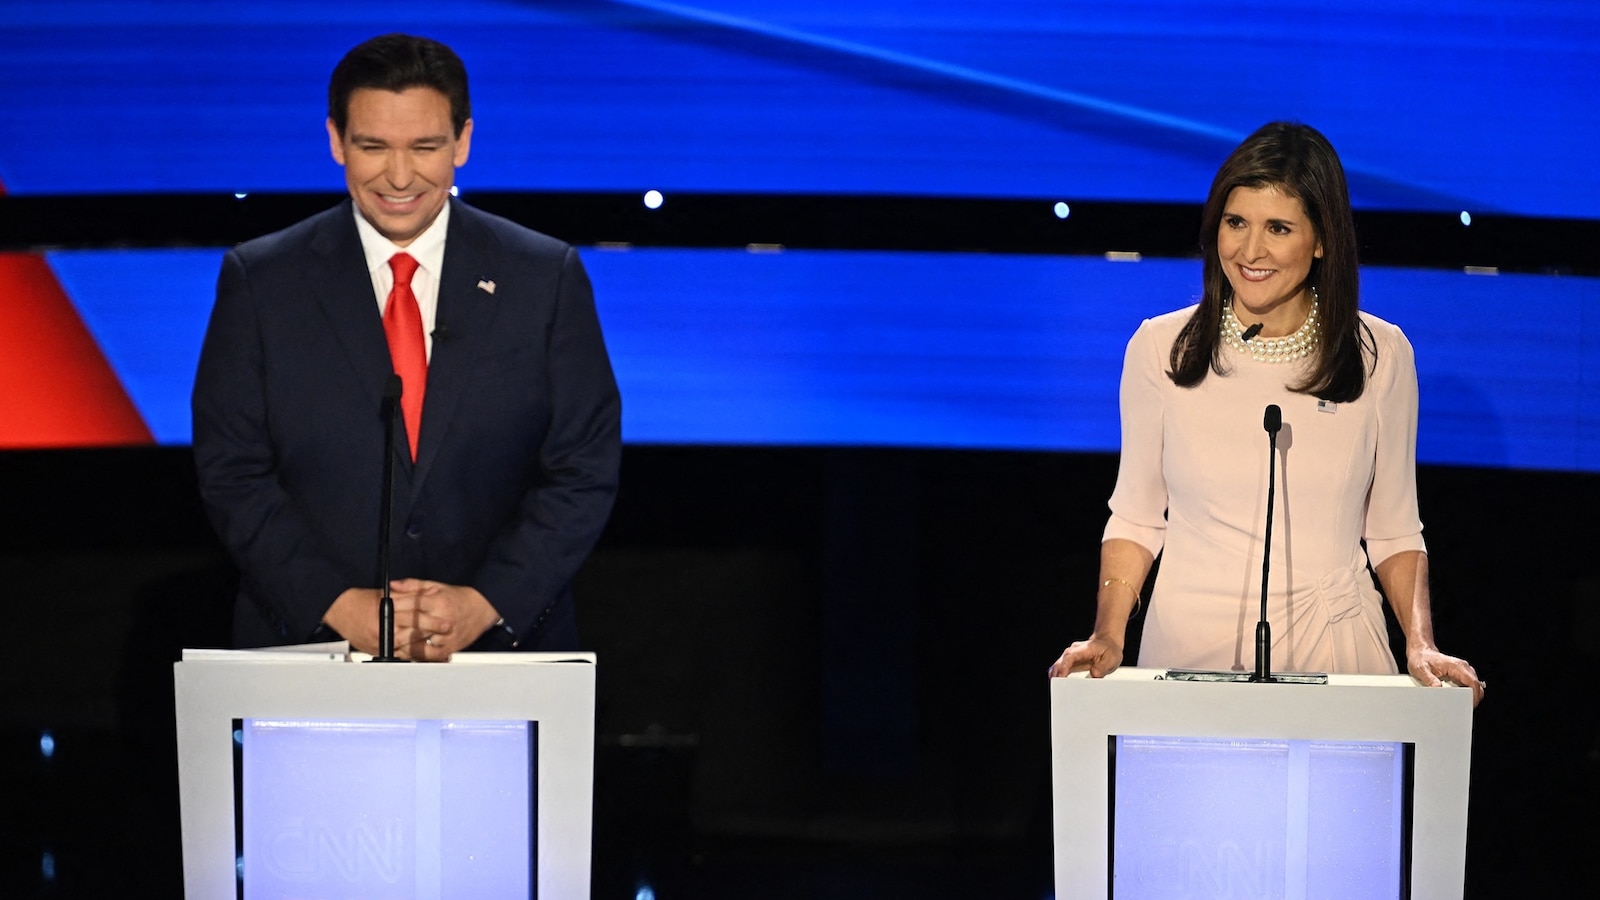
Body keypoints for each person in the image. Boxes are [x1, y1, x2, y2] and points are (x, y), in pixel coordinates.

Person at [192, 33, 621, 660]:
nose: (399, 176)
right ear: (336, 140)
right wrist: (338, 605)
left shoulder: (543, 276)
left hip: (502, 654)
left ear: (463, 142)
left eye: (425, 147)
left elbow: (584, 470)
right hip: (308, 653)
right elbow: (231, 472)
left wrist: (483, 603)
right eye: (373, 147)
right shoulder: (261, 281)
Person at [1048, 122, 1482, 705]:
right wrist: (1108, 631)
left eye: (1278, 228)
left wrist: (1421, 643)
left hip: (1337, 654)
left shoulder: (1380, 355)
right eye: (1236, 223)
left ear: (1322, 239)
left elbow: (1394, 528)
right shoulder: (1161, 347)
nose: (1250, 252)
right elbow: (1136, 518)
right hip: (1188, 651)